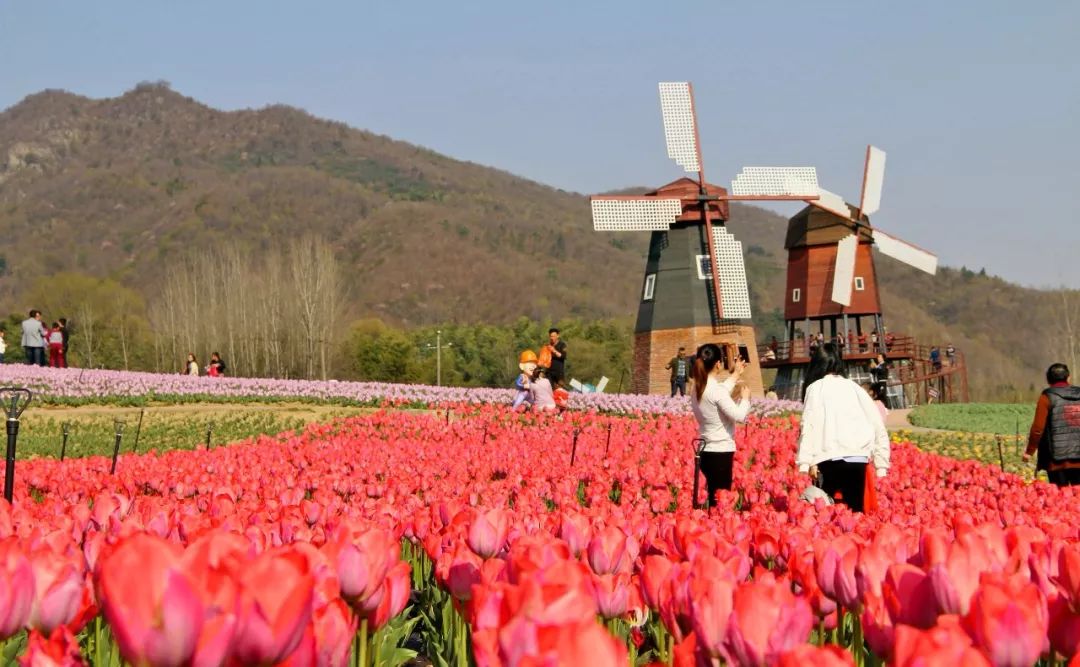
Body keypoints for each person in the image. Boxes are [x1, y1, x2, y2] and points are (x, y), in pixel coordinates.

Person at [796, 343, 890, 513]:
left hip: (830, 457)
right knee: (855, 511)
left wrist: (806, 462)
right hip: (858, 458)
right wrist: (881, 465)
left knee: (827, 513)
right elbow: (877, 424)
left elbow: (809, 424)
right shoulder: (855, 388)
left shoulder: (815, 387)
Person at [689, 343, 751, 507]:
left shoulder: (696, 388)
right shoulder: (715, 390)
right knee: (720, 502)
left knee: (712, 498)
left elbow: (720, 391)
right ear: (718, 364)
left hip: (705, 451)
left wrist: (736, 374)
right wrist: (745, 398)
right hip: (721, 453)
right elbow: (739, 416)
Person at [1023, 363, 1080, 487]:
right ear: (1068, 377)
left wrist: (1029, 451)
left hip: (1056, 460)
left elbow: (1038, 428)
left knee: (1060, 499)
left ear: (1048, 380)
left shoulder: (1046, 397)